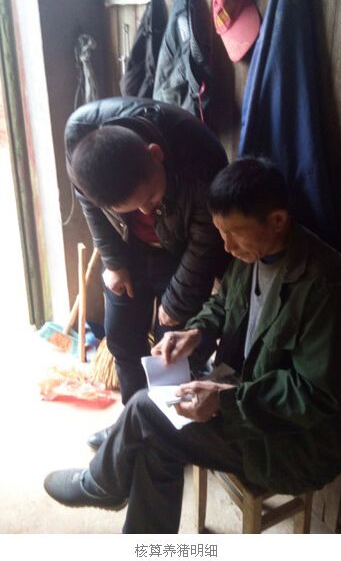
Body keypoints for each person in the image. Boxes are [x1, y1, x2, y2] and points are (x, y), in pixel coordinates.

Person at [44, 158, 341, 533]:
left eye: (234, 234)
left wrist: (225, 401)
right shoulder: (254, 251)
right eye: (220, 232)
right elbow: (223, 302)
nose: (226, 246)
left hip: (291, 442)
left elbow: (313, 396)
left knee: (146, 410)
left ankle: (102, 484)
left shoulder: (330, 289)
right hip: (241, 389)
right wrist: (196, 332)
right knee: (155, 439)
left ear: (278, 220)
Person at [64, 97, 230, 448]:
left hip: (183, 249)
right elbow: (88, 201)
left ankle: (171, 432)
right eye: (130, 208)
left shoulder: (200, 155)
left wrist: (176, 303)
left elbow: (207, 240)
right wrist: (113, 261)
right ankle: (133, 424)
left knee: (172, 348)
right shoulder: (81, 137)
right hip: (128, 247)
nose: (144, 212)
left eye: (150, 199)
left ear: (156, 154)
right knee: (121, 335)